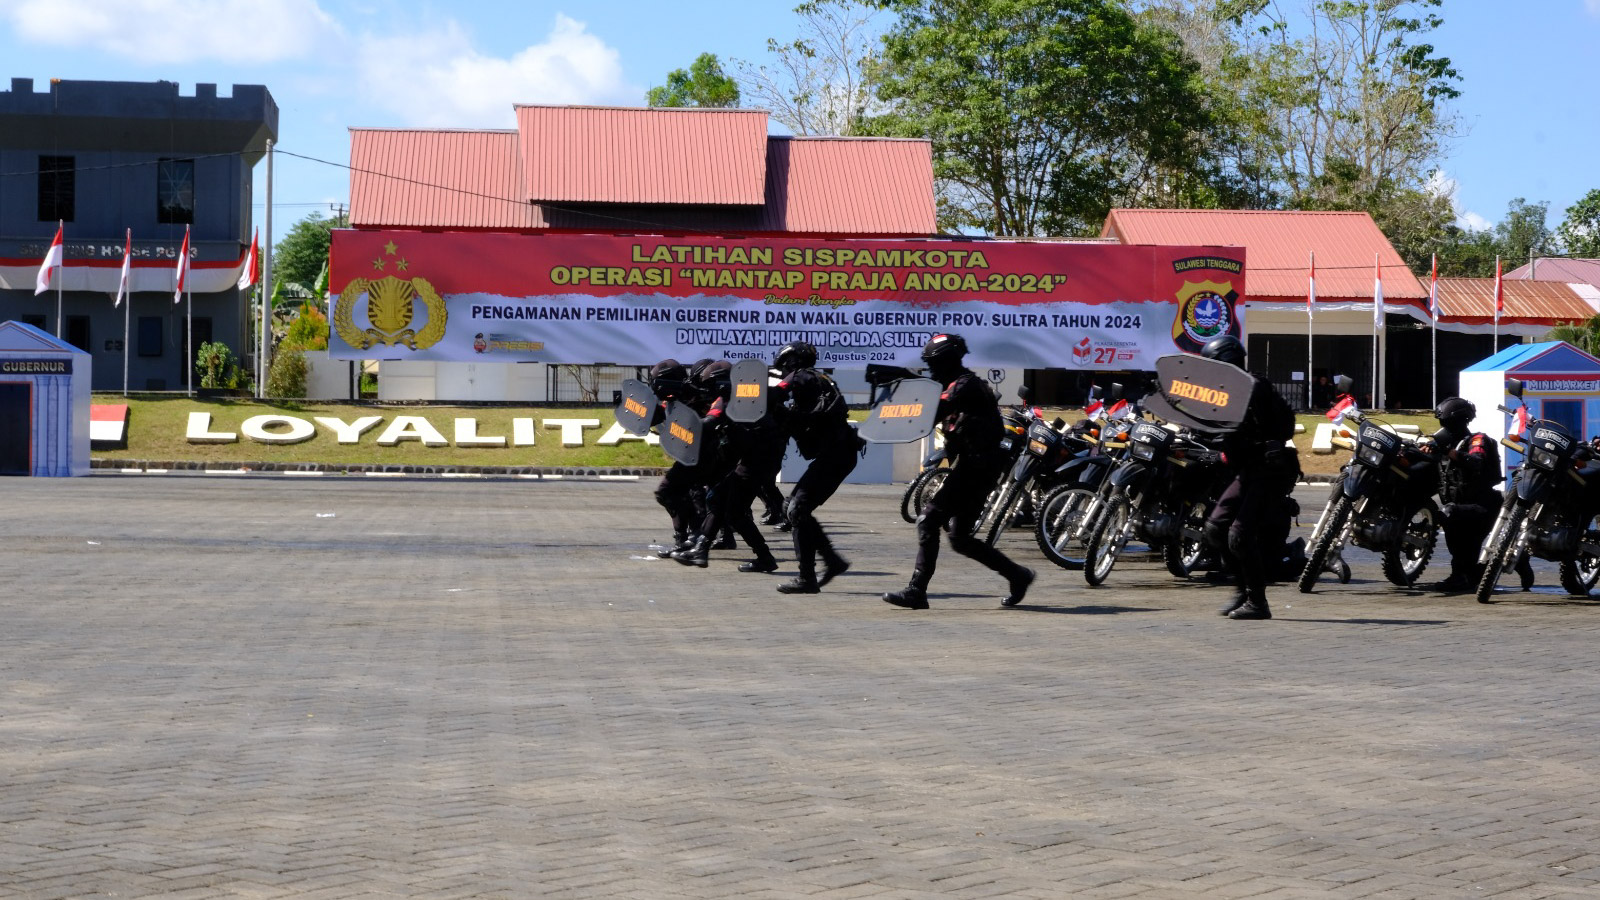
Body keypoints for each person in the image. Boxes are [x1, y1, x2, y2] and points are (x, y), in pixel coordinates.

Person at [883, 334, 1035, 610]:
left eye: (933, 363)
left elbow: (933, 407)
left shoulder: (966, 386)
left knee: (928, 521)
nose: (931, 369)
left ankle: (917, 590)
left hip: (979, 467)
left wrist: (903, 381)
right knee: (960, 539)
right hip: (974, 465)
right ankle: (1018, 575)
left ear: (947, 361)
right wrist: (897, 381)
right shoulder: (952, 383)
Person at [1199, 335, 1299, 620]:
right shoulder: (1227, 390)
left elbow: (1228, 417)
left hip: (1270, 471)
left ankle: (1258, 601)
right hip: (1248, 470)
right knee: (1216, 528)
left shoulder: (1251, 387)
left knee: (1239, 535)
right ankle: (1243, 590)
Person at [673, 361, 783, 573]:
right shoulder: (755, 396)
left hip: (755, 462)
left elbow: (708, 423)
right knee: (719, 499)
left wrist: (684, 428)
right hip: (761, 458)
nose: (708, 390)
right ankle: (702, 549)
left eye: (711, 385)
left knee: (734, 510)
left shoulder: (726, 400)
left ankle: (765, 557)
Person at [770, 341, 857, 594]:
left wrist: (755, 396)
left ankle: (809, 576)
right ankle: (831, 561)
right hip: (836, 454)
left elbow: (778, 393)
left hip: (837, 455)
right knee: (793, 508)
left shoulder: (802, 377)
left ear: (791, 362)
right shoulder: (819, 379)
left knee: (797, 509)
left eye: (784, 366)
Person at [1424, 397, 1521, 592]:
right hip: (1462, 505)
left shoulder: (1477, 440)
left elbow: (1476, 461)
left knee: (1454, 519)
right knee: (1453, 522)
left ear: (1460, 421)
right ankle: (1464, 574)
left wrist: (1449, 451)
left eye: (1449, 422)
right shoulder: (1445, 442)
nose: (1445, 427)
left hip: (1484, 505)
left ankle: (1464, 574)